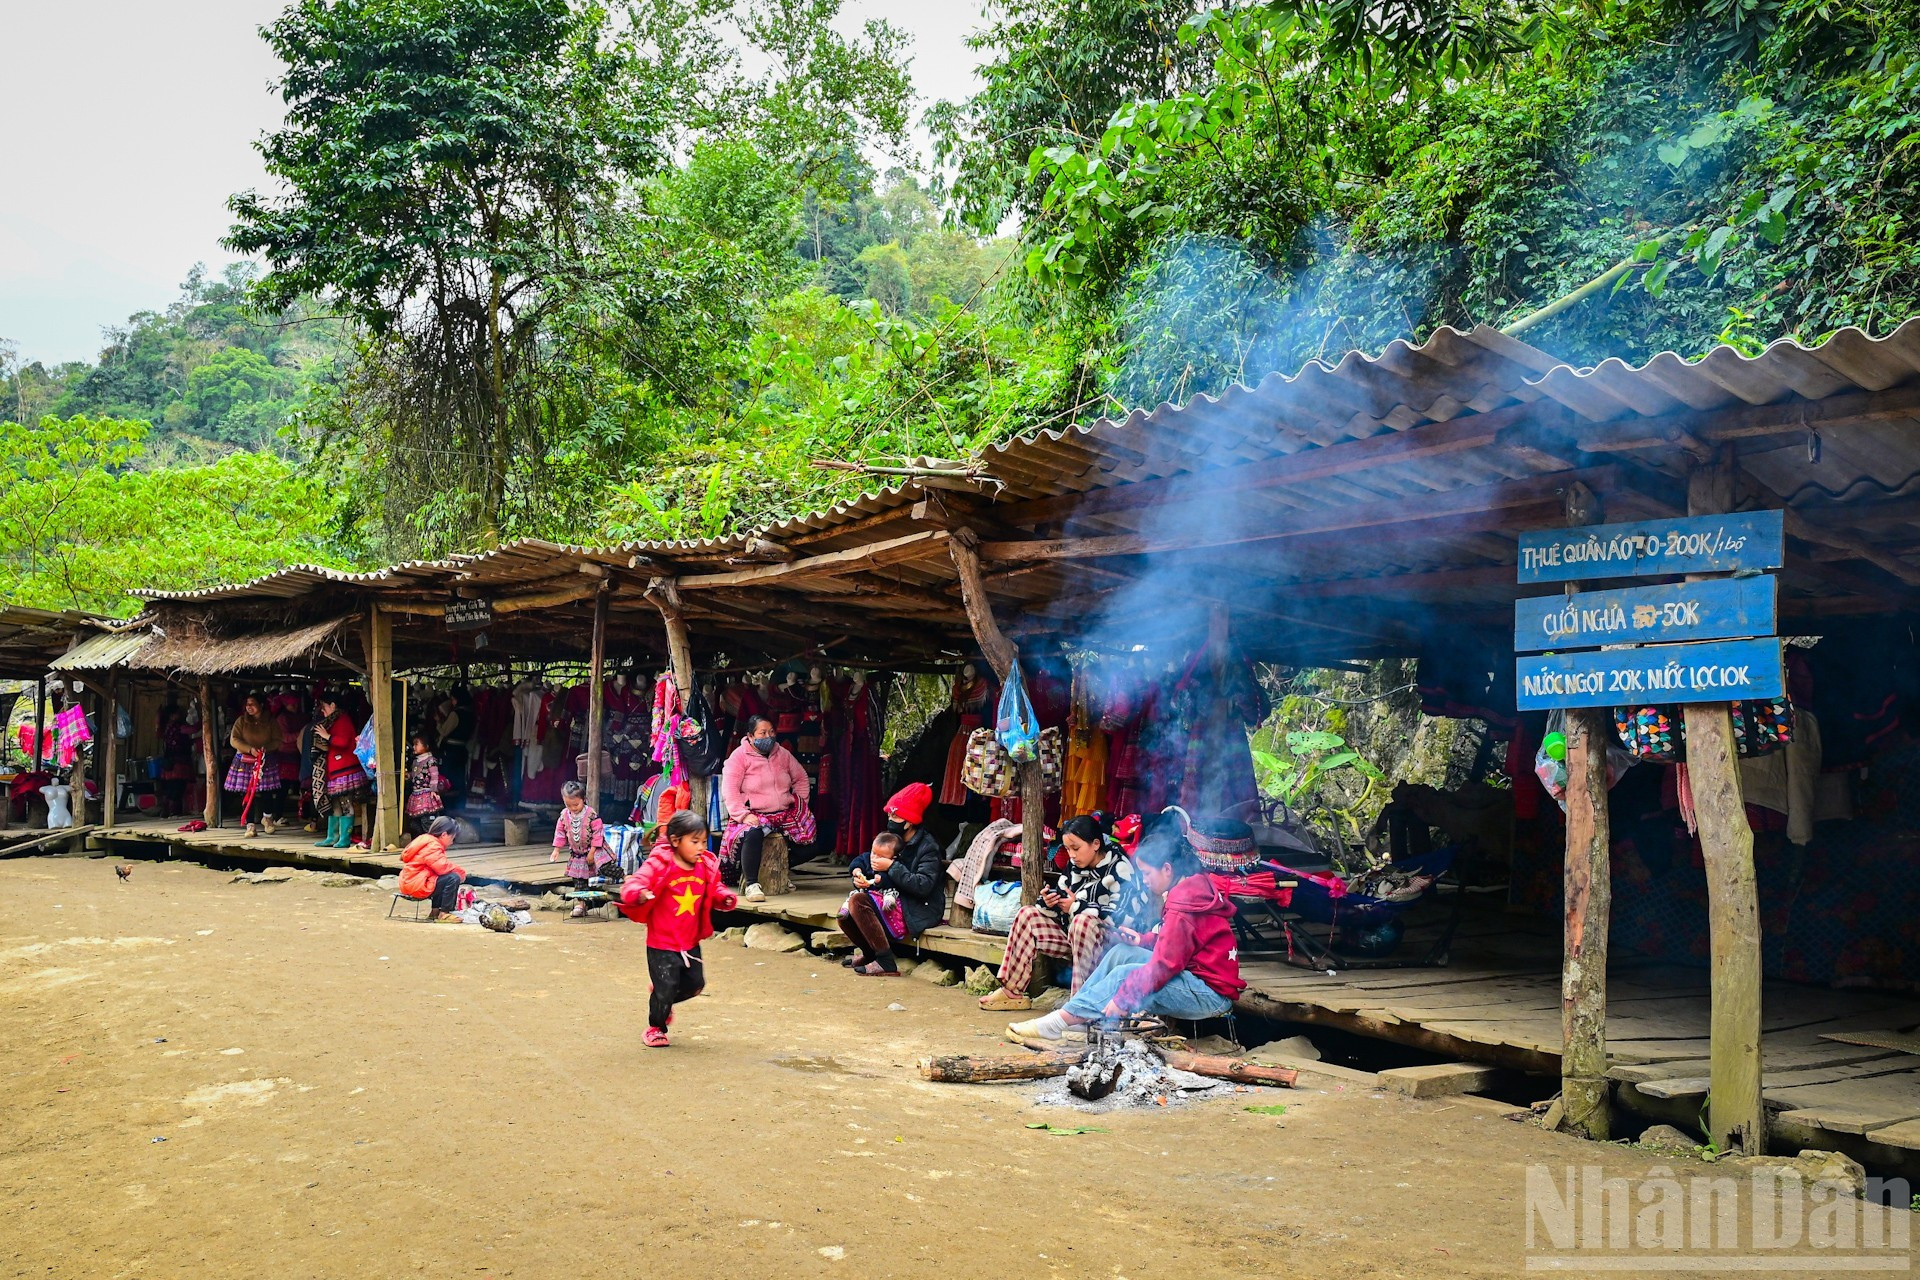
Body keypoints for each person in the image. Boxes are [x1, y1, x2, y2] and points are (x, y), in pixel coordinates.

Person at [1005, 823, 1244, 1046]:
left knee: (1125, 975)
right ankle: (1079, 1014)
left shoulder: (1183, 903)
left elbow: (1165, 965)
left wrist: (1123, 999)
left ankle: (1057, 1023)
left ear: (1167, 870)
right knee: (1122, 953)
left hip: (1209, 994)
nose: (1145, 881)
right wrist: (1143, 940)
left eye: (1148, 874)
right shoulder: (1192, 885)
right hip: (1193, 977)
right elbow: (1177, 944)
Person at [978, 813, 1156, 1012]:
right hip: (1075, 939)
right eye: (1068, 848)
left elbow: (1122, 920)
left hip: (1112, 947)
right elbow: (1064, 900)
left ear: (1096, 844)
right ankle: (1012, 992)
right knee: (1027, 915)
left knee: (1083, 922)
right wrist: (1049, 901)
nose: (1071, 855)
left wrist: (1076, 906)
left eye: (1076, 848)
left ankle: (1081, 1004)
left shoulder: (1121, 868)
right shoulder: (1075, 866)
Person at [618, 810, 737, 1047]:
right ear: (675, 841)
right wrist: (638, 894)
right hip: (661, 943)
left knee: (695, 985)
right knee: (664, 993)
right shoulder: (661, 863)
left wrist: (723, 897)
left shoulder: (705, 866)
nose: (701, 847)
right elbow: (636, 881)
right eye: (694, 842)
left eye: (703, 841)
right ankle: (655, 1028)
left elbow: (715, 887)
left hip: (690, 941)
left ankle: (665, 994)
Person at [837, 782, 945, 976]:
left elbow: (923, 885)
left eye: (895, 816)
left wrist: (892, 867)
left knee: (858, 901)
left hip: (919, 907)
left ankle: (886, 961)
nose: (890, 820)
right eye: (889, 815)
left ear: (910, 821)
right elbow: (867, 859)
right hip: (892, 900)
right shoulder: (890, 838)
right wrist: (859, 875)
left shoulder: (928, 847)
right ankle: (870, 954)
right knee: (844, 915)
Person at [719, 715, 817, 902]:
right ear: (750, 735)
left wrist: (800, 803)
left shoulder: (783, 754)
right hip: (753, 813)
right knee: (753, 833)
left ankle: (781, 868)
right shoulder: (739, 757)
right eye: (762, 733)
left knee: (811, 844)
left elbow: (801, 778)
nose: (768, 737)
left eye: (771, 732)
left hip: (783, 812)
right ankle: (752, 884)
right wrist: (742, 814)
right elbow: (729, 789)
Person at [312, 695, 369, 848]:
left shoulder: (343, 720)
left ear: (333, 705)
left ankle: (344, 838)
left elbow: (343, 742)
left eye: (324, 709)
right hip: (335, 771)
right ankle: (332, 836)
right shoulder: (334, 721)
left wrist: (327, 736)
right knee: (335, 803)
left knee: (346, 802)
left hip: (345, 770)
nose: (323, 713)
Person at [225, 693, 284, 837]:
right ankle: (250, 825)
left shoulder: (270, 720)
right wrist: (249, 749)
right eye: (247, 704)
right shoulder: (241, 721)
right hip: (245, 760)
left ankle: (268, 819)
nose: (249, 707)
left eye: (252, 704)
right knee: (247, 791)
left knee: (267, 791)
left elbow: (277, 739)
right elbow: (234, 739)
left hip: (265, 759)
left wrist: (265, 748)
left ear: (261, 705)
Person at [551, 779, 607, 918]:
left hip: (595, 851)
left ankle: (625, 881)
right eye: (568, 805)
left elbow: (598, 834)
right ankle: (581, 905)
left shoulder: (591, 814)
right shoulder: (564, 815)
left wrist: (592, 853)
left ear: (584, 799)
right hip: (577, 855)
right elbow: (560, 832)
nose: (573, 808)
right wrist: (556, 850)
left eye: (576, 804)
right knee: (578, 879)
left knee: (606, 869)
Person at [398, 817, 466, 922]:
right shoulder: (433, 845)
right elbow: (442, 867)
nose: (452, 842)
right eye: (452, 838)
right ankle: (444, 914)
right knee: (453, 878)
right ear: (444, 835)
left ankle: (435, 912)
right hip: (417, 885)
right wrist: (460, 872)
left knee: (440, 878)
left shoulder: (425, 839)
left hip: (410, 882)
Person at [405, 732, 444, 830]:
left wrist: (434, 791)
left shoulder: (431, 760)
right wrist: (408, 775)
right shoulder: (415, 761)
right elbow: (415, 775)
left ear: (426, 746)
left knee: (427, 822)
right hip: (416, 795)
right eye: (413, 744)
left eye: (416, 744)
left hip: (427, 796)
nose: (414, 747)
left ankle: (431, 841)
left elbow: (435, 777)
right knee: (415, 823)